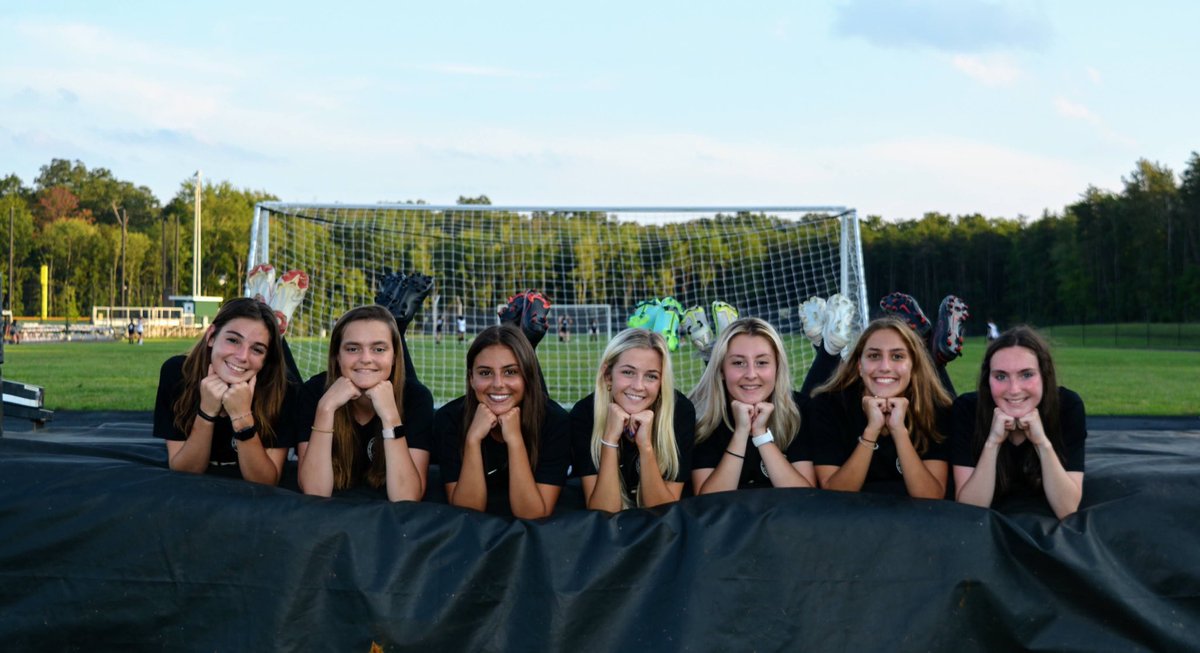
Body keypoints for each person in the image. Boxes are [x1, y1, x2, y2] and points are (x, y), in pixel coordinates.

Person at [689, 312, 847, 494]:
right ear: (721, 370)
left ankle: (827, 349)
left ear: (777, 367)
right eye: (738, 363)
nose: (751, 374)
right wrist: (741, 432)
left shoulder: (798, 411)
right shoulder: (704, 416)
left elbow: (803, 496)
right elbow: (708, 500)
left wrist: (761, 434)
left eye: (762, 362)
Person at [153, 297, 299, 485]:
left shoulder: (282, 387)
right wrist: (207, 412)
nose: (242, 356)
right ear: (211, 336)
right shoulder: (178, 373)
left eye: (257, 349)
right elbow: (185, 471)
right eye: (233, 340)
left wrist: (242, 417)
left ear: (266, 359)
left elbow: (265, 481)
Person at [296, 305, 434, 501]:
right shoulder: (314, 392)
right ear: (337, 356)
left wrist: (391, 418)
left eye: (379, 349)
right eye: (353, 349)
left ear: (394, 357)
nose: (366, 359)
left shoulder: (416, 398)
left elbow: (407, 498)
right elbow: (315, 491)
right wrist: (326, 409)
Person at [807, 317, 953, 498]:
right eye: (874, 356)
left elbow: (931, 497)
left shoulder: (933, 407)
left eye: (897, 356)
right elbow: (836, 494)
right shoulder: (829, 406)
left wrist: (898, 430)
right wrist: (872, 430)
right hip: (851, 514)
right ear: (860, 366)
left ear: (913, 365)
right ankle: (826, 348)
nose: (885, 367)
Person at [434, 324, 570, 518]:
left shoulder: (554, 421)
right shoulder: (449, 418)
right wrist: (473, 439)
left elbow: (532, 514)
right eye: (485, 373)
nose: (498, 384)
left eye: (510, 372)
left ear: (528, 376)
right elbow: (467, 511)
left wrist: (514, 440)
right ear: (471, 378)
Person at [951, 326, 1086, 519]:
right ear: (987, 380)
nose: (1014, 389)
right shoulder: (967, 409)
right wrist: (992, 443)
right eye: (1001, 376)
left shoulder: (1068, 406)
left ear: (1045, 375)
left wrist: (1042, 443)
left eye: (1026, 374)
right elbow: (970, 509)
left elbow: (1067, 509)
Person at [570, 328, 695, 511]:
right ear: (608, 375)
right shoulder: (585, 413)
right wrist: (610, 440)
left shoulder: (679, 412)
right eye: (628, 372)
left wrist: (645, 446)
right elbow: (603, 512)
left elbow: (664, 512)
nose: (638, 386)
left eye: (651, 376)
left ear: (661, 383)